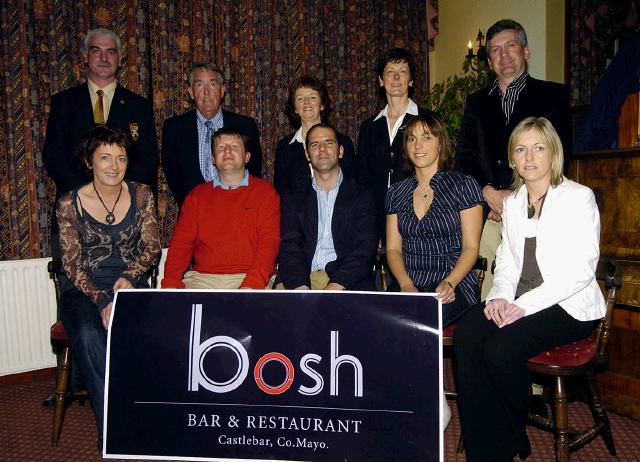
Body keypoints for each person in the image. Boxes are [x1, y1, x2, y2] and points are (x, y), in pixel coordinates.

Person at [454, 117, 605, 462]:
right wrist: (499, 298)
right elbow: (506, 263)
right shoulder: (513, 202)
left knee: (500, 350)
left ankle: (513, 430)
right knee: (468, 334)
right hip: (520, 300)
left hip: (568, 304)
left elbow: (580, 271)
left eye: (539, 148)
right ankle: (484, 449)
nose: (530, 157)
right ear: (512, 159)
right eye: (521, 149)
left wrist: (523, 306)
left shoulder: (579, 198)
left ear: (553, 153)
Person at [42, 27, 158, 407]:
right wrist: (90, 193)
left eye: (111, 51)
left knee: (141, 328)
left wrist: (117, 191)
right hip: (82, 243)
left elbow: (147, 158)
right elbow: (53, 154)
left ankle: (137, 402)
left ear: (120, 58)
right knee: (89, 331)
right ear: (85, 56)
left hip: (126, 262)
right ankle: (111, 415)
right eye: (97, 51)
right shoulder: (64, 102)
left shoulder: (137, 104)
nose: (104, 57)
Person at [56, 126, 161, 447]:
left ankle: (149, 412)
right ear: (89, 162)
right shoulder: (69, 204)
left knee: (150, 327)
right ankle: (114, 427)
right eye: (104, 157)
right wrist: (103, 301)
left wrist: (129, 278)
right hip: (82, 290)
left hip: (131, 283)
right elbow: (72, 265)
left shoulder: (142, 194)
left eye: (120, 157)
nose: (114, 166)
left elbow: (152, 247)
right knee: (89, 335)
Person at [455, 19, 572, 297]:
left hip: (538, 210)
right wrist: (488, 193)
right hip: (489, 214)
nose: (503, 54)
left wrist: (515, 198)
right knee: (488, 290)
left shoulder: (553, 96)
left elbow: (560, 153)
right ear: (489, 62)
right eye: (495, 50)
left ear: (526, 51)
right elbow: (465, 156)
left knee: (531, 289)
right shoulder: (476, 102)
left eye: (510, 46)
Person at [385, 113, 483, 326]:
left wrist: (450, 282)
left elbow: (471, 247)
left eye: (427, 137)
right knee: (378, 321)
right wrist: (405, 284)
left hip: (452, 283)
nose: (418, 145)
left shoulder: (463, 185)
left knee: (420, 324)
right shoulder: (396, 192)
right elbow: (393, 249)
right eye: (412, 138)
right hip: (408, 281)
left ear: (441, 143)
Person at [161, 127, 279, 289]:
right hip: (202, 279)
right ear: (213, 159)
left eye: (235, 146)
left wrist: (250, 286)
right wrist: (171, 284)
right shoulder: (197, 196)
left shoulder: (265, 192)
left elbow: (269, 244)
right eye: (221, 147)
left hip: (250, 277)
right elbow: (181, 245)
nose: (228, 151)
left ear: (247, 156)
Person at [277, 123, 377, 290]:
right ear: (307, 155)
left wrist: (335, 286)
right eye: (315, 144)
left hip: (346, 280)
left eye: (329, 143)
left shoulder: (362, 194)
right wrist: (300, 287)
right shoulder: (294, 196)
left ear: (341, 151)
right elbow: (289, 247)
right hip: (301, 277)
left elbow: (365, 249)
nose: (322, 148)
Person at [356, 47, 434, 242]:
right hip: (376, 221)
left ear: (411, 80)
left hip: (419, 217)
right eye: (390, 71)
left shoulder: (428, 119)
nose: (396, 77)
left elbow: (440, 170)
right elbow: (362, 177)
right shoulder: (369, 127)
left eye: (403, 71)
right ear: (381, 80)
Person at [162, 63, 263, 206]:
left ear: (222, 90)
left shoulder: (245, 126)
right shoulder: (174, 129)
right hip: (194, 214)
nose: (206, 92)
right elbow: (173, 176)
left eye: (212, 84)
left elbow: (254, 171)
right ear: (191, 92)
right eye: (199, 85)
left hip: (239, 211)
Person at [273, 76, 356, 197]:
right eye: (300, 98)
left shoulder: (342, 141)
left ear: (322, 105)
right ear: (295, 108)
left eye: (312, 97)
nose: (306, 102)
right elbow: (281, 191)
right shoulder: (285, 147)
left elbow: (351, 184)